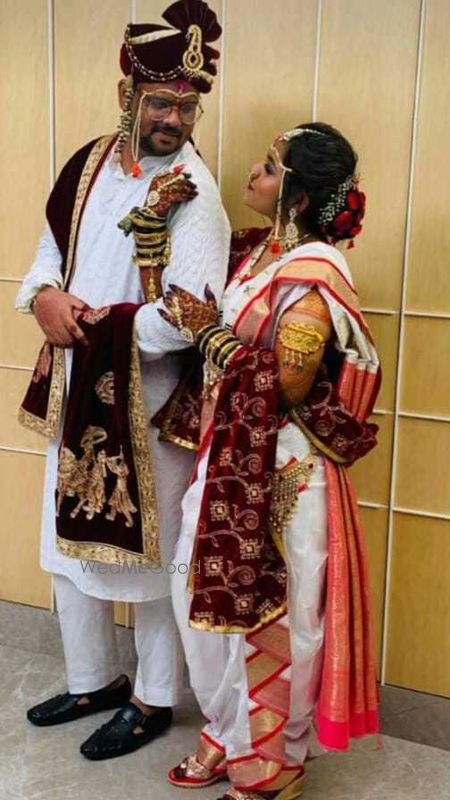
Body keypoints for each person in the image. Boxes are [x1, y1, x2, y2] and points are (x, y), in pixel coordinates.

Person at [15, 0, 230, 761]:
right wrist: (45, 298)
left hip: (151, 403)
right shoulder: (88, 164)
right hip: (75, 386)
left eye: (187, 106)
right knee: (67, 546)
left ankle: (153, 699)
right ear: (127, 94)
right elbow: (51, 251)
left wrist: (98, 329)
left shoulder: (196, 193)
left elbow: (189, 315)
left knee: (153, 557)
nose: (174, 119)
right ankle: (93, 680)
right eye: (161, 102)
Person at [157, 122, 380, 800]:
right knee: (198, 590)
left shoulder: (313, 272)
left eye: (270, 167)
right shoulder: (256, 252)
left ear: (299, 197)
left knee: (278, 613)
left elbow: (288, 383)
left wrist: (210, 337)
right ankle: (226, 729)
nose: (253, 174)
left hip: (282, 465)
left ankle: (274, 759)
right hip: (228, 450)